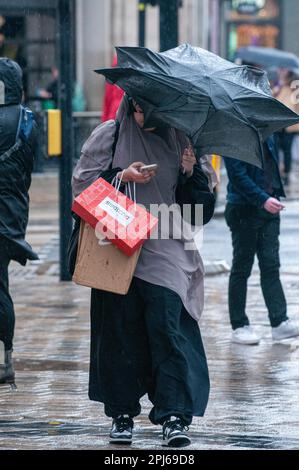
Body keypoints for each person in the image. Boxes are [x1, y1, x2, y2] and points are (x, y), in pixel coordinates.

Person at [72, 95, 215, 447]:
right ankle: (121, 414)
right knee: (118, 331)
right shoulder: (110, 135)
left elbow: (200, 213)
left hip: (166, 247)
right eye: (135, 108)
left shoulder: (183, 139)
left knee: (167, 329)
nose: (140, 115)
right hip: (116, 248)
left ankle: (174, 415)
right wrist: (122, 176)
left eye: (147, 109)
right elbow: (81, 191)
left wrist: (189, 172)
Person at [224, 136, 299, 345]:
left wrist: (273, 194)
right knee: (242, 267)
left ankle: (279, 321)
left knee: (271, 265)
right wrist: (262, 198)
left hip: (269, 208)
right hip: (243, 209)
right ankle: (239, 325)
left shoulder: (268, 129)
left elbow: (272, 165)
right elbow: (237, 175)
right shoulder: (235, 134)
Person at [0, 58, 38, 384]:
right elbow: (28, 169)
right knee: (1, 284)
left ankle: (6, 358)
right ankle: (6, 355)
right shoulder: (26, 119)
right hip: (13, 214)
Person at [276, 71, 299, 186]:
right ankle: (280, 172)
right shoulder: (280, 87)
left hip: (290, 126)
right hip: (279, 125)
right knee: (277, 150)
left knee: (287, 151)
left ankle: (286, 173)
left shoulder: (296, 88)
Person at [101, 55, 124, 122]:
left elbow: (107, 102)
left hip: (114, 117)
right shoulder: (110, 83)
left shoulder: (111, 82)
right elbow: (107, 101)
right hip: (114, 117)